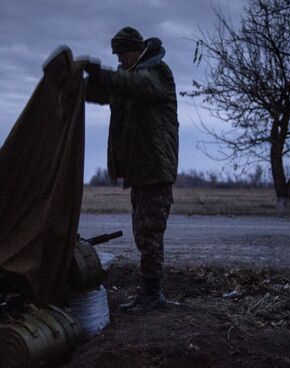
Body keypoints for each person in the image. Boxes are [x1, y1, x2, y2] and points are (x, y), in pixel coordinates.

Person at [83, 26, 179, 313]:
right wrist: (78, 85)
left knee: (149, 235)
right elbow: (108, 91)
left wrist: (101, 74)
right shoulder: (129, 78)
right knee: (143, 234)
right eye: (117, 55)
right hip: (141, 172)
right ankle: (149, 294)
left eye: (123, 53)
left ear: (138, 50)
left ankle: (153, 295)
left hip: (155, 170)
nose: (120, 59)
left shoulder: (158, 73)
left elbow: (134, 85)